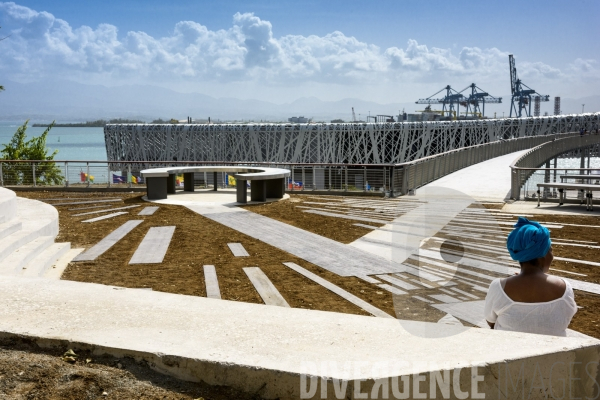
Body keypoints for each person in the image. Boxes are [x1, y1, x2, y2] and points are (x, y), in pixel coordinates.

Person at [484, 217, 577, 336]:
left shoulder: (499, 287)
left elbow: (491, 322)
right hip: (554, 352)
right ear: (543, 255)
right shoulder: (564, 287)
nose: (552, 256)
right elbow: (563, 320)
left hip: (510, 351)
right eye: (551, 250)